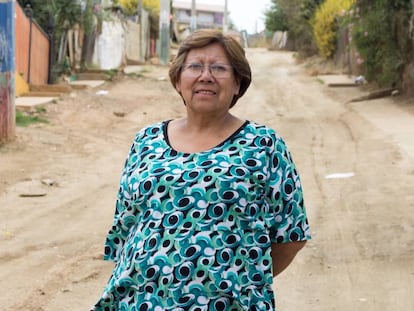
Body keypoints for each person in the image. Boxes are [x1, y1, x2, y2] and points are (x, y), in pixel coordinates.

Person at [92, 29, 311, 311]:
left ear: (237, 84)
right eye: (195, 66)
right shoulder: (145, 141)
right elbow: (126, 228)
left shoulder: (263, 144)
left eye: (219, 68)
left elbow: (291, 235)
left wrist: (240, 282)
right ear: (178, 79)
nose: (205, 76)